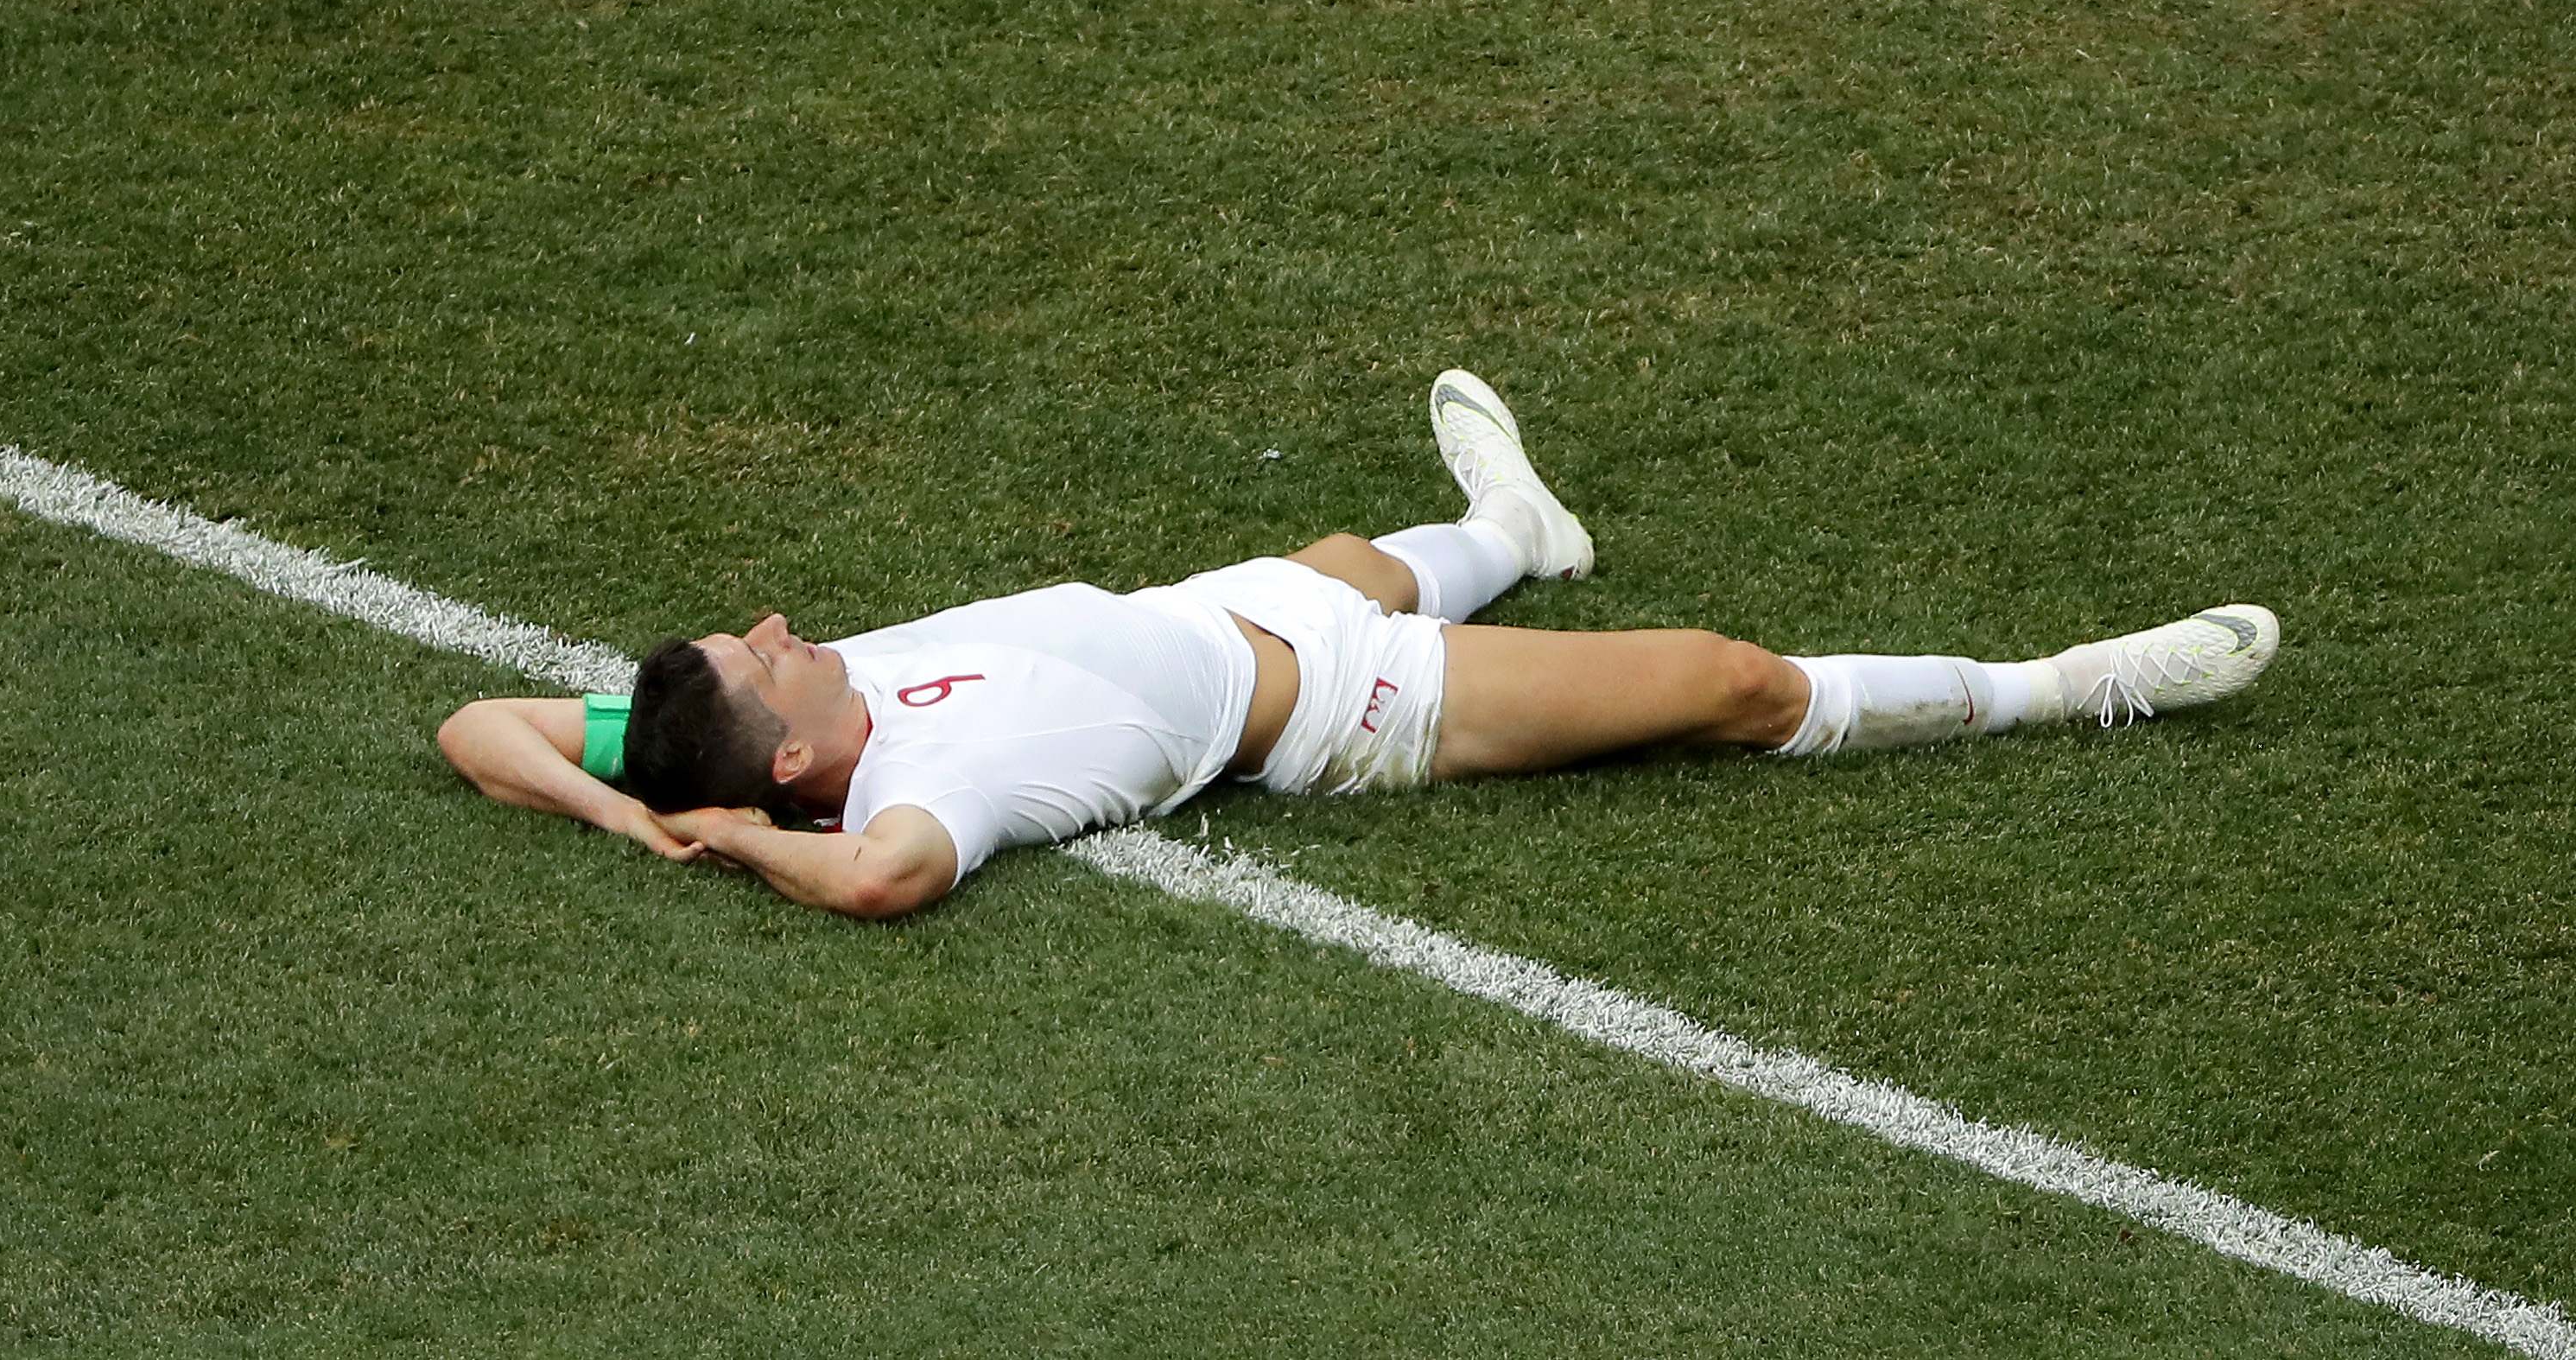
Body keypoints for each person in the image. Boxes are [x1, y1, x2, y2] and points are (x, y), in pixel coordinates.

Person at [438, 372, 2279, 918]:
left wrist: (631, 812)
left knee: (1385, 555)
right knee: (1724, 678)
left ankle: (1516, 531)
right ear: (788, 763)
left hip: (1235, 600)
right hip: (1350, 705)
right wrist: (738, 845)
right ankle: (2072, 686)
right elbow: (883, 883)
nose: (783, 624)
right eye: (767, 655)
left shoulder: (771, 721)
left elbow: (478, 719)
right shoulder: (920, 780)